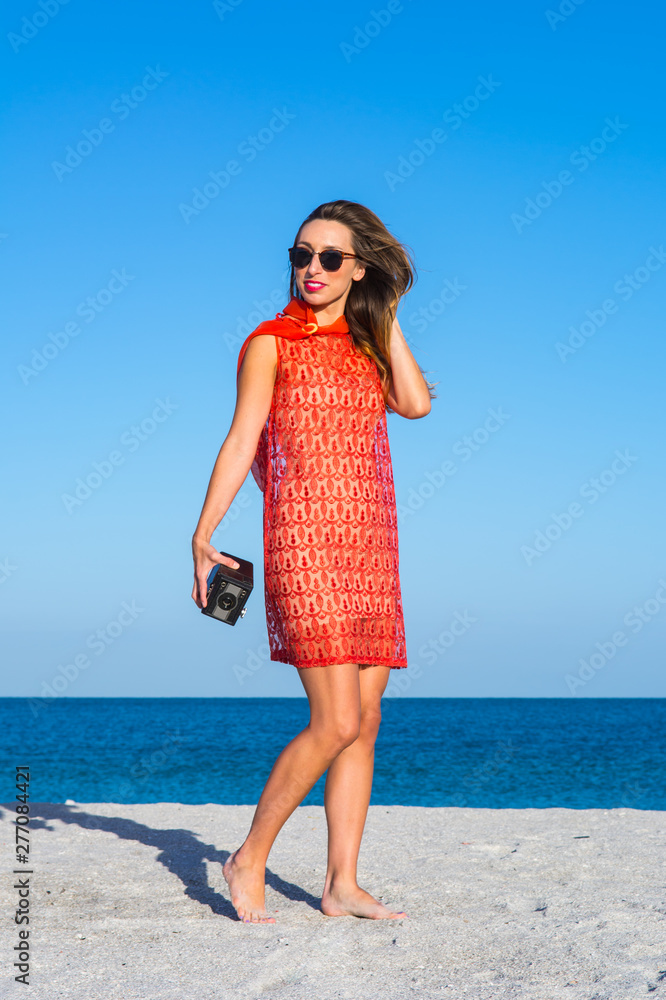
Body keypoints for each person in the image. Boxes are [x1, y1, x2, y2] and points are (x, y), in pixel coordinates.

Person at [191, 199, 435, 923]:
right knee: (332, 722)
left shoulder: (369, 341)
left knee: (365, 721)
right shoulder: (268, 343)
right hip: (304, 543)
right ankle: (249, 858)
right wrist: (202, 536)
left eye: (330, 257)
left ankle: (340, 884)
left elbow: (415, 404)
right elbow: (242, 440)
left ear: (358, 268)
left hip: (370, 543)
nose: (312, 269)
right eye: (301, 255)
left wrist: (385, 316)